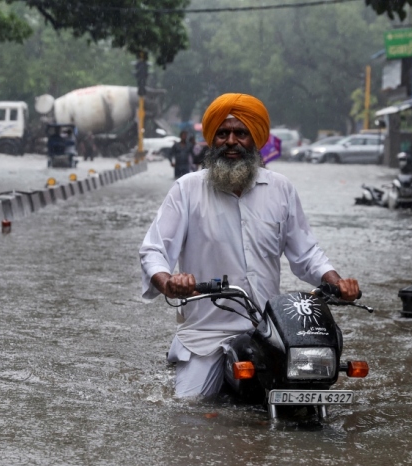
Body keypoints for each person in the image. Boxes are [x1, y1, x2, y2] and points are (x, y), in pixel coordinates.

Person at [139, 93, 360, 398]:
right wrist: (169, 282)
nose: (231, 141)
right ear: (211, 140)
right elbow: (154, 250)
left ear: (255, 139)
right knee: (189, 410)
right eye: (223, 133)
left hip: (271, 331)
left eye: (240, 133)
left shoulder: (281, 189)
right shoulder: (186, 190)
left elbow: (306, 252)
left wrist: (337, 282)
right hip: (207, 335)